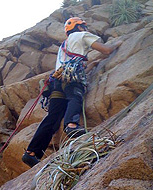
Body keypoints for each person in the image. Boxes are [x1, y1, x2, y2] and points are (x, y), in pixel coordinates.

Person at [22, 17, 123, 167]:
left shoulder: (64, 44)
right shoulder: (81, 35)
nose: (85, 29)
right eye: (84, 26)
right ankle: (71, 125)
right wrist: (117, 44)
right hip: (72, 79)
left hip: (57, 82)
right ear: (80, 27)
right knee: (75, 97)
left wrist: (92, 65)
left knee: (53, 117)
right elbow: (106, 50)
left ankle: (31, 153)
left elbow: (73, 63)